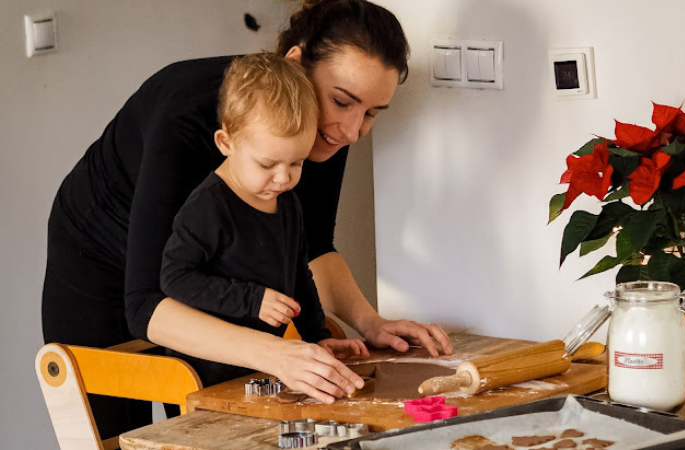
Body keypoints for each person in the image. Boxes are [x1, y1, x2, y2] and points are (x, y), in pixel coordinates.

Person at [42, 0, 453, 438]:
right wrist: (274, 353)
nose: (352, 131)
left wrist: (370, 322)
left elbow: (311, 245)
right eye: (342, 102)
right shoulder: (186, 113)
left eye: (370, 113)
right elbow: (146, 304)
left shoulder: (324, 128)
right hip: (101, 263)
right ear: (295, 62)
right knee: (126, 438)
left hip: (207, 277)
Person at [159, 52, 368, 387]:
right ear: (226, 143)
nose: (283, 178)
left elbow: (299, 276)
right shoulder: (208, 207)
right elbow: (175, 278)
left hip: (260, 372)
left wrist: (317, 336)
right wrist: (252, 300)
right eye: (267, 164)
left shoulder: (286, 203)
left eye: (296, 163)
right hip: (205, 375)